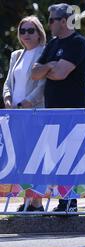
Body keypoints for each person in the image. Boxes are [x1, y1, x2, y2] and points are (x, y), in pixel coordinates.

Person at [31, 3, 85, 213]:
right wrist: (50, 65)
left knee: (70, 155)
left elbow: (61, 73)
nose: (49, 24)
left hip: (72, 108)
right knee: (55, 155)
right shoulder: (53, 44)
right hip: (52, 109)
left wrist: (49, 68)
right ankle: (61, 200)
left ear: (63, 21)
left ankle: (69, 202)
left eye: (51, 20)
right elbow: (34, 72)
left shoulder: (77, 43)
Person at [2, 16, 47, 212]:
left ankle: (37, 202)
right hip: (16, 114)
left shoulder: (44, 53)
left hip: (34, 113)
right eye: (23, 31)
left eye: (31, 30)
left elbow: (43, 85)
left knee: (34, 158)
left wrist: (29, 102)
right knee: (22, 157)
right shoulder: (16, 55)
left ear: (39, 33)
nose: (26, 35)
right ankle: (28, 200)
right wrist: (8, 98)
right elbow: (7, 83)